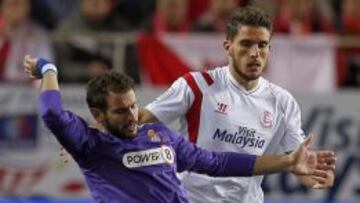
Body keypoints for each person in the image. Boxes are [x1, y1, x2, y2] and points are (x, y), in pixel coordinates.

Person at [23, 55, 335, 203]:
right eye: (121, 111)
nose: (133, 115)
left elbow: (216, 163)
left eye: (133, 105)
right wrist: (48, 69)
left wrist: (288, 161)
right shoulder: (89, 145)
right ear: (98, 114)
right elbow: (51, 113)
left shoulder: (160, 137)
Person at [139, 6, 336, 203]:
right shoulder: (197, 85)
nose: (254, 53)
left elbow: (297, 163)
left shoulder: (283, 102)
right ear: (228, 46)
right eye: (246, 44)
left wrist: (316, 175)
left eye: (262, 45)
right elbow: (139, 120)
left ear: (269, 49)